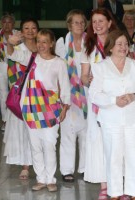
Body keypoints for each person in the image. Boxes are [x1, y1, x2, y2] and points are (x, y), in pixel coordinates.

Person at [89, 29, 135, 200]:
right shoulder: (100, 67)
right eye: (119, 44)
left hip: (133, 118)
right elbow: (94, 94)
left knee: (133, 156)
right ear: (110, 47)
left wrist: (133, 96)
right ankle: (114, 194)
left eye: (125, 44)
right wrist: (113, 100)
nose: (123, 47)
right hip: (110, 118)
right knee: (113, 156)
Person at [7, 29, 71, 192]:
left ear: (51, 43)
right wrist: (10, 43)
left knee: (49, 145)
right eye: (38, 41)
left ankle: (50, 179)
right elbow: (12, 54)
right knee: (35, 146)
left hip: (51, 109)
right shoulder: (31, 58)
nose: (41, 45)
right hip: (31, 109)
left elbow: (64, 87)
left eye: (44, 41)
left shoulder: (59, 63)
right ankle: (41, 179)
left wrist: (64, 107)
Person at [80, 8, 118, 200]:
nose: (97, 25)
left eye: (101, 20)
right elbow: (84, 77)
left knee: (118, 141)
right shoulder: (88, 46)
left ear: (110, 22)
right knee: (99, 142)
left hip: (117, 100)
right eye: (94, 21)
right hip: (96, 101)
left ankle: (119, 186)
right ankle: (105, 185)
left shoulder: (118, 42)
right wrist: (90, 80)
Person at [4, 18, 39, 181]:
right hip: (22, 96)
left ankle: (38, 164)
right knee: (22, 131)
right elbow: (11, 55)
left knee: (37, 131)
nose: (30, 31)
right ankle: (25, 165)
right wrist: (10, 43)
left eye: (33, 28)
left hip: (39, 96)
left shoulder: (42, 46)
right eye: (26, 28)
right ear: (21, 31)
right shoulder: (18, 48)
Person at [55, 9, 88, 183]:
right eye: (76, 22)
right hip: (68, 93)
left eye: (82, 22)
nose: (80, 25)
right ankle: (67, 170)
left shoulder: (90, 42)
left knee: (85, 132)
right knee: (68, 132)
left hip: (86, 93)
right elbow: (58, 69)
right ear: (69, 24)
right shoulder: (61, 42)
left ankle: (84, 168)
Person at [0, 13, 18, 131]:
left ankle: (15, 119)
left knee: (15, 92)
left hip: (15, 66)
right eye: (4, 22)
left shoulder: (18, 35)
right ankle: (5, 120)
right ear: (1, 23)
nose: (6, 25)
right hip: (1, 65)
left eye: (9, 22)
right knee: (3, 94)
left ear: (13, 24)